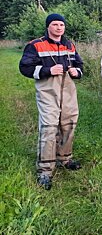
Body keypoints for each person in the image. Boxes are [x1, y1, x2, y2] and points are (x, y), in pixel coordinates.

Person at [19, 13, 83, 190]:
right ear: (48, 27)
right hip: (48, 91)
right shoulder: (36, 45)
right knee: (49, 127)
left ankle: (65, 159)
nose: (59, 28)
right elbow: (24, 67)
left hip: (69, 91)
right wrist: (47, 70)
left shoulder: (69, 44)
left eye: (61, 25)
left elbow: (79, 64)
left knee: (69, 123)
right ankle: (45, 171)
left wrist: (77, 72)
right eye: (55, 24)